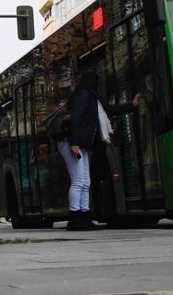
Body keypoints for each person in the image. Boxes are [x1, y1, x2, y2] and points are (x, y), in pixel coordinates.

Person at [57, 70, 139, 231]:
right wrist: (74, 142)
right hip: (73, 143)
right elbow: (76, 118)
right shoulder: (83, 96)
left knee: (85, 181)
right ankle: (75, 217)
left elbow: (109, 110)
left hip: (82, 145)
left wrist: (132, 105)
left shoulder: (92, 98)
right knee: (78, 180)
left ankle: (84, 215)